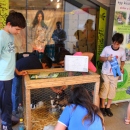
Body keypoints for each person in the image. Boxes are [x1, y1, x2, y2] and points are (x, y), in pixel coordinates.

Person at [0, 12, 27, 130]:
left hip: (9, 76)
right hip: (3, 77)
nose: (18, 32)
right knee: (5, 105)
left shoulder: (10, 36)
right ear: (9, 24)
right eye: (17, 29)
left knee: (8, 103)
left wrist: (17, 71)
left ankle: (7, 121)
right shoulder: (1, 36)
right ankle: (6, 126)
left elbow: (9, 57)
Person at [99, 33, 126, 117]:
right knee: (105, 88)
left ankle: (108, 107)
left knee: (112, 90)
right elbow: (100, 58)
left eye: (117, 44)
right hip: (105, 72)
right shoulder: (106, 49)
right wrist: (107, 58)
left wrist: (121, 67)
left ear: (120, 44)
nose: (115, 45)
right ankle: (102, 107)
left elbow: (123, 60)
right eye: (114, 43)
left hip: (115, 73)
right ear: (112, 41)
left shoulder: (122, 50)